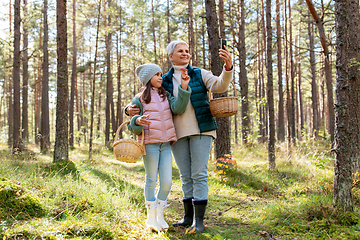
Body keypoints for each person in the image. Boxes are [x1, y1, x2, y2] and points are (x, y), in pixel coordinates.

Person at [127, 41, 233, 234]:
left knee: (199, 174)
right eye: (180, 51)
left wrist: (228, 68)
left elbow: (220, 85)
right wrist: (129, 110)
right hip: (176, 134)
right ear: (171, 56)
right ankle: (188, 217)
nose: (185, 54)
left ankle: (199, 222)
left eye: (187, 51)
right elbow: (145, 98)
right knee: (185, 176)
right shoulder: (163, 79)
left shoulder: (199, 73)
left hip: (201, 129)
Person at [127, 63, 191, 232]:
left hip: (166, 144)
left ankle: (159, 213)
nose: (160, 77)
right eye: (156, 74)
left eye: (161, 74)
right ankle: (151, 217)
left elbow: (178, 107)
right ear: (148, 78)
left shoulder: (165, 95)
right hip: (149, 144)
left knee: (167, 182)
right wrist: (137, 121)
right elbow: (131, 125)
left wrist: (184, 87)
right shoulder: (139, 98)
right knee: (151, 179)